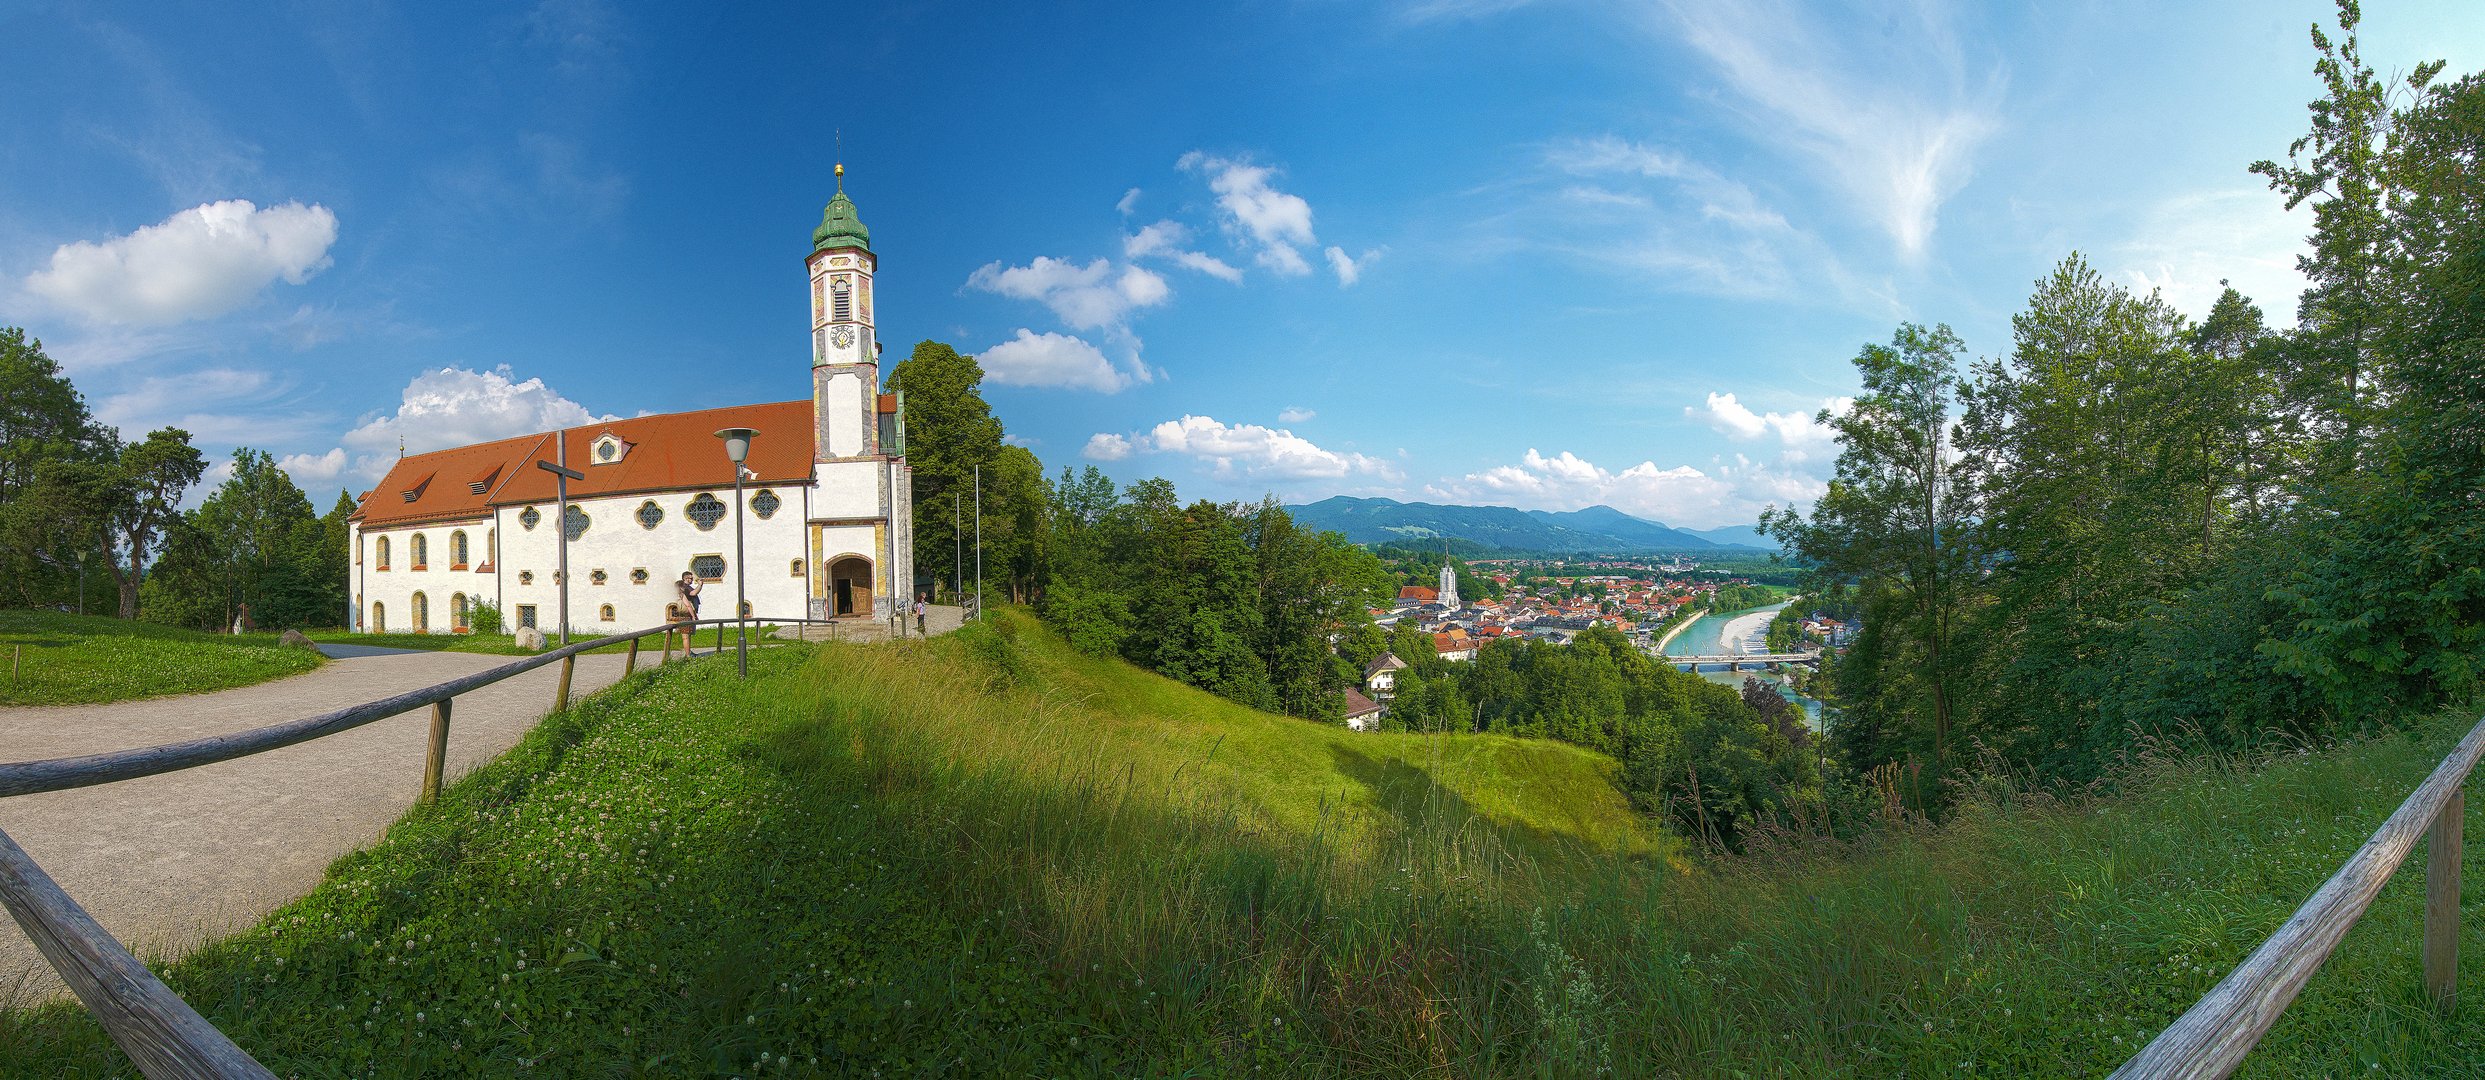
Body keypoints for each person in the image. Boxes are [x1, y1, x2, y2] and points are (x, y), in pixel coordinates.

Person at [675, 571, 702, 652]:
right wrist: (700, 585)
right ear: (685, 578)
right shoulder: (684, 588)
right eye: (690, 578)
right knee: (686, 636)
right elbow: (689, 601)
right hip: (686, 615)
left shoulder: (685, 588)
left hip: (685, 614)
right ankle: (687, 655)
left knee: (687, 635)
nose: (692, 579)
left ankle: (688, 652)